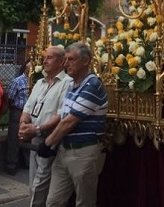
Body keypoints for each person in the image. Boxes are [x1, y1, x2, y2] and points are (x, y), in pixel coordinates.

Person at [42, 42, 108, 207]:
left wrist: (47, 142)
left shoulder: (92, 85)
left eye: (71, 59)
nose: (66, 64)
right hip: (64, 150)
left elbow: (70, 121)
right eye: (65, 59)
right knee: (53, 202)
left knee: (84, 202)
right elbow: (63, 116)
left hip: (83, 152)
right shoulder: (71, 85)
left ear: (85, 61)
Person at [18, 46, 71, 207]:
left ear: (62, 62)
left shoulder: (67, 83)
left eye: (49, 57)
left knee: (41, 180)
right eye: (45, 57)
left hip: (50, 138)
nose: (44, 61)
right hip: (33, 137)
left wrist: (38, 129)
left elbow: (62, 114)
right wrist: (22, 126)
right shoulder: (40, 82)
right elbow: (27, 107)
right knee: (33, 179)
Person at [5, 61, 31, 175]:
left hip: (31, 112)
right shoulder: (17, 81)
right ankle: (11, 163)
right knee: (14, 137)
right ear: (26, 68)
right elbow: (10, 98)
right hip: (18, 110)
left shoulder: (38, 81)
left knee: (28, 136)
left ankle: (27, 162)